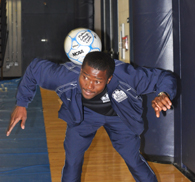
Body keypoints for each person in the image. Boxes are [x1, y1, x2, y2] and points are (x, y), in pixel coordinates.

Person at [6, 51, 177, 182]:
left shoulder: (128, 76)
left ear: (109, 79)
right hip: (84, 115)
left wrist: (163, 92)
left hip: (119, 117)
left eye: (97, 81)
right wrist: (22, 103)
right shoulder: (64, 75)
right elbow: (35, 68)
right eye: (85, 77)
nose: (88, 86)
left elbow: (164, 76)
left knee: (133, 159)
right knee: (72, 159)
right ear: (80, 71)